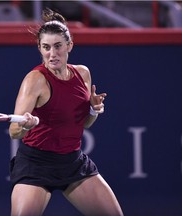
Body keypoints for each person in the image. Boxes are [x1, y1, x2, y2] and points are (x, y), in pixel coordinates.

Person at [8, 8, 124, 216]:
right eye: (46, 47)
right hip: (36, 165)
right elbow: (13, 131)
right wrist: (24, 125)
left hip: (73, 163)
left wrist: (93, 109)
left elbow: (85, 124)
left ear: (70, 45)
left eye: (58, 46)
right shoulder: (34, 80)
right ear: (39, 49)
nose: (52, 54)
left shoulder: (83, 73)